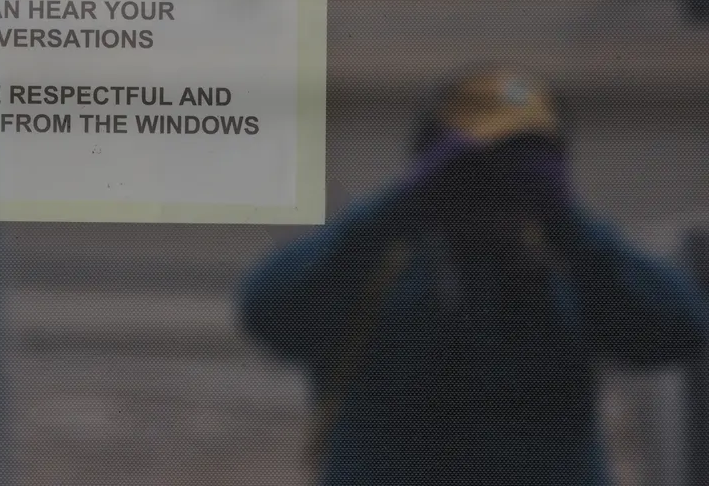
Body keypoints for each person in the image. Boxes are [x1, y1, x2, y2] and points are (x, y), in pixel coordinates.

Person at [237, 68, 708, 485]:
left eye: (517, 165)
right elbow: (266, 314)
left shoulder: (574, 270)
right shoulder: (378, 264)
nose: (491, 183)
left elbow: (678, 330)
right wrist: (400, 206)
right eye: (472, 166)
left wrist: (566, 221)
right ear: (428, 165)